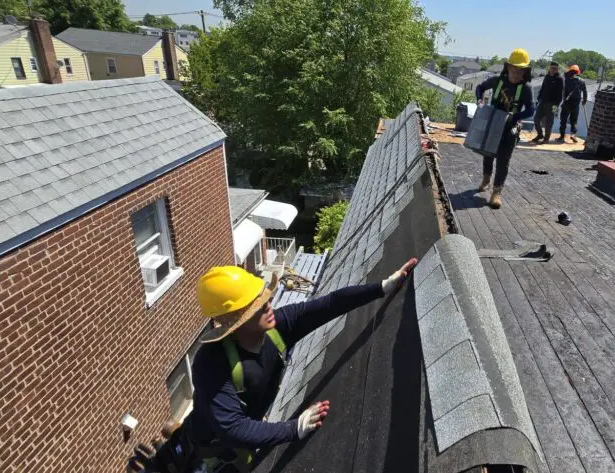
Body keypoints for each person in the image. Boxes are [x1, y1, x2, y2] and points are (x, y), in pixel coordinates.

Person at [182, 260, 418, 471]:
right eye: (257, 306)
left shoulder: (278, 326)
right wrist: (293, 428)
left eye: (265, 298)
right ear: (235, 322)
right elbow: (233, 429)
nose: (268, 305)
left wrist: (382, 286)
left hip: (244, 430)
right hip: (214, 447)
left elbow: (330, 304)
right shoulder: (211, 363)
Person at [475, 48, 536, 209]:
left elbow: (531, 110)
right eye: (514, 69)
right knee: (488, 155)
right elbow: (479, 88)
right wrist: (480, 101)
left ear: (525, 71)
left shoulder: (526, 88)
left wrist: (515, 117)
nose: (516, 73)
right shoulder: (497, 81)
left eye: (520, 70)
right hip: (493, 125)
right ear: (508, 67)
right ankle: (486, 179)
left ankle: (496, 192)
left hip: (509, 129)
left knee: (503, 161)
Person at [531, 62, 563, 144]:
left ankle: (546, 138)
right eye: (551, 68)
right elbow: (542, 88)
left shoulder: (560, 79)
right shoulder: (547, 77)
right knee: (536, 119)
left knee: (549, 122)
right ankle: (540, 134)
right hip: (542, 101)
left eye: (554, 68)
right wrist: (539, 98)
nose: (553, 70)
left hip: (553, 104)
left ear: (557, 69)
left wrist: (556, 106)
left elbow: (560, 94)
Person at [558, 65, 588, 143]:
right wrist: (584, 101)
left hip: (567, 102)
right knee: (574, 121)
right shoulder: (582, 81)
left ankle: (562, 136)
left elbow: (563, 90)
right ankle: (573, 135)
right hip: (576, 103)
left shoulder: (566, 80)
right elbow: (585, 92)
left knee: (563, 119)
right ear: (578, 72)